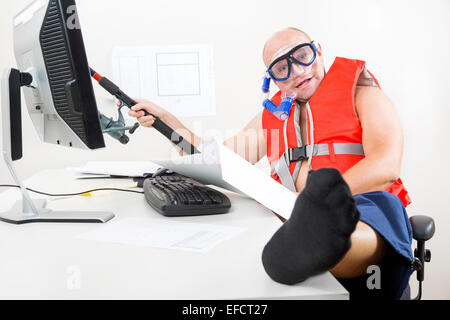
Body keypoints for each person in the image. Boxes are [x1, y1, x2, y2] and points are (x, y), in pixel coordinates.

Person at [126, 28, 414, 299]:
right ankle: (308, 239)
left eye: (302, 56)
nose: (297, 71)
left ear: (319, 51)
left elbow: (386, 165)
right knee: (287, 225)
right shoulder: (273, 119)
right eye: (281, 68)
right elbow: (217, 161)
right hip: (294, 221)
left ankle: (321, 234)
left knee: (377, 211)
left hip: (361, 207)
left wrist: (322, 201)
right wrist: (169, 123)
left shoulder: (364, 95)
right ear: (273, 80)